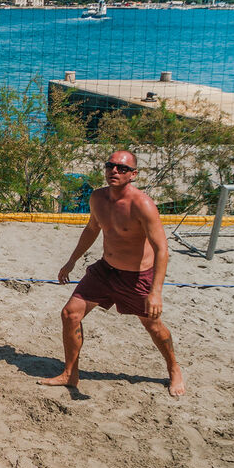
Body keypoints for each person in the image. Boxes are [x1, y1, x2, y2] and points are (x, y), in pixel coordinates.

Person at [43, 149, 185, 397]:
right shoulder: (98, 198)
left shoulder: (143, 204)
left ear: (133, 174)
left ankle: (173, 368)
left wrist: (156, 292)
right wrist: (71, 261)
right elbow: (92, 229)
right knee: (70, 314)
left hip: (137, 276)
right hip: (105, 270)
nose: (114, 171)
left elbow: (162, 249)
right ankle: (70, 373)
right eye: (110, 166)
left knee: (153, 325)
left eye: (122, 168)